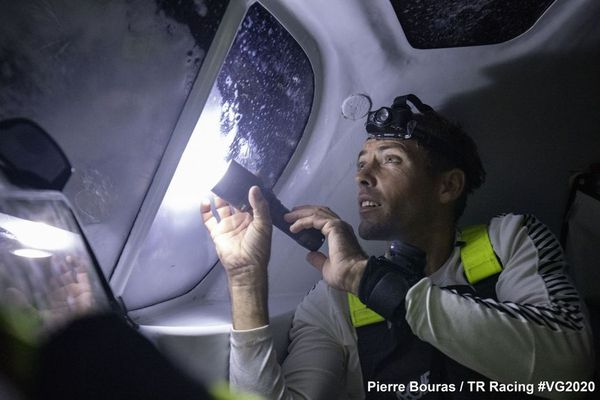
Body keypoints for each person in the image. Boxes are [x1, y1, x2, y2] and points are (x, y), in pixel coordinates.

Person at [200, 95, 594, 399]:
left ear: (448, 186)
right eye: (361, 163)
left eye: (390, 160)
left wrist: (367, 278)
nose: (362, 177)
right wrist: (245, 278)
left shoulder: (510, 239)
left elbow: (572, 370)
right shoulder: (333, 300)